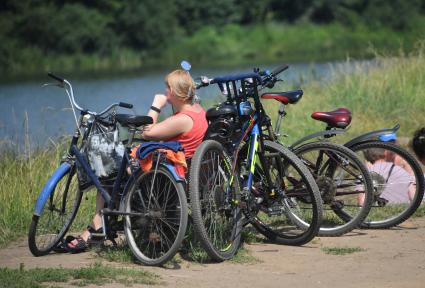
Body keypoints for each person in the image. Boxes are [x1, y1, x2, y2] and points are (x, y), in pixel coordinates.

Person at [66, 69, 208, 253]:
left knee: (109, 175)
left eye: (167, 89)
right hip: (186, 171)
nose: (165, 93)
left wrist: (156, 105)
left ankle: (97, 224)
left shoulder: (183, 119)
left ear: (173, 92)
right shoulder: (199, 111)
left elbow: (147, 132)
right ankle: (100, 224)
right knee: (125, 164)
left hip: (166, 175)